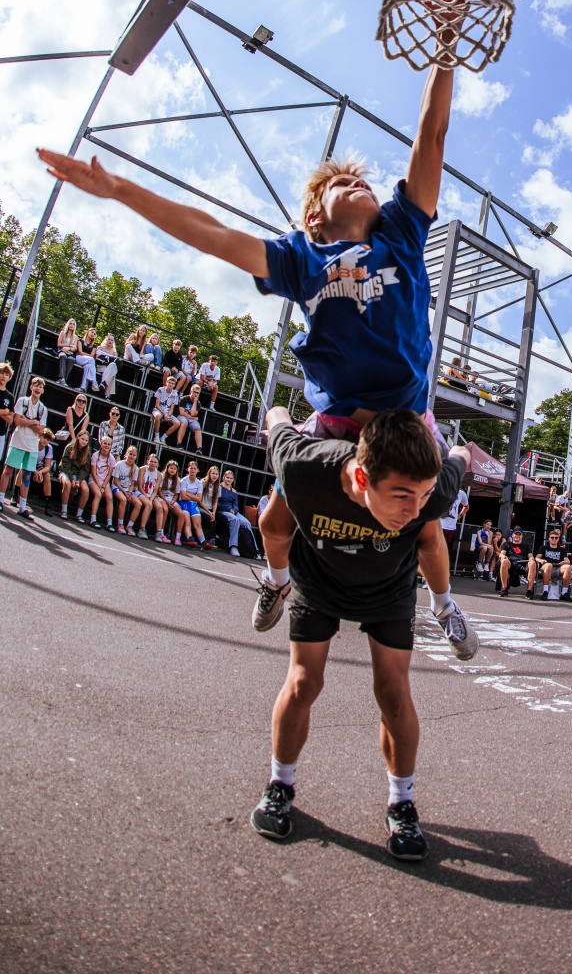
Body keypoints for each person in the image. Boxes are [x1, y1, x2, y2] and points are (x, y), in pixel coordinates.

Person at [40, 47, 476, 663]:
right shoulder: (301, 259)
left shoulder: (402, 235)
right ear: (314, 216)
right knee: (274, 522)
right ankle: (275, 582)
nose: (360, 183)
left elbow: (431, 135)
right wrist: (120, 190)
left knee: (427, 528)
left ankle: (444, 606)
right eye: (342, 183)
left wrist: (445, 49)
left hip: (404, 419)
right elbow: (215, 235)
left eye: (366, 182)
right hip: (336, 421)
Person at [249, 406, 471, 859]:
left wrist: (441, 602)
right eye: (402, 496)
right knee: (303, 682)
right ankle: (279, 785)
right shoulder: (305, 466)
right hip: (319, 578)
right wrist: (279, 576)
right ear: (364, 479)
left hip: (388, 586)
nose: (412, 511)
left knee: (394, 692)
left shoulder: (429, 495)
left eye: (422, 496)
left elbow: (463, 455)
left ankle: (402, 802)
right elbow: (277, 416)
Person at [0, 374, 48, 520]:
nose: (38, 388)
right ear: (31, 387)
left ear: (43, 391)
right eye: (36, 385)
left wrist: (26, 421)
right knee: (8, 470)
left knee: (27, 476)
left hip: (32, 445)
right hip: (18, 441)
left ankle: (22, 507)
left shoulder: (43, 409)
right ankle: (1, 500)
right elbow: (17, 421)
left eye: (41, 387)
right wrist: (33, 422)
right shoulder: (22, 401)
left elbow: (41, 430)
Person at [216, 469, 255, 558]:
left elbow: (236, 505)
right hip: (222, 510)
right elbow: (217, 503)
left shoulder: (233, 491)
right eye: (227, 477)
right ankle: (233, 546)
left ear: (233, 480)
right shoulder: (219, 488)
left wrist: (234, 510)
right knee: (235, 519)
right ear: (223, 477)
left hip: (233, 511)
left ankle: (253, 549)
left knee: (246, 523)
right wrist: (228, 509)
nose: (229, 480)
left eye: (231, 478)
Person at [82, 435, 116, 528]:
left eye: (109, 444)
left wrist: (104, 486)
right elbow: (93, 472)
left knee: (109, 497)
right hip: (94, 480)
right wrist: (99, 486)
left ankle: (109, 523)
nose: (106, 446)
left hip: (104, 482)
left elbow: (109, 475)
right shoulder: (95, 455)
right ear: (101, 444)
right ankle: (93, 519)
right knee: (98, 494)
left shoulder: (112, 459)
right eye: (105, 443)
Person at [58, 431, 92, 519]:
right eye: (82, 439)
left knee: (85, 490)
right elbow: (65, 465)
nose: (84, 441)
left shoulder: (87, 452)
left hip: (78, 475)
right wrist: (72, 479)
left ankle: (79, 514)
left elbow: (85, 469)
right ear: (78, 437)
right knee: (67, 484)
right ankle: (64, 510)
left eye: (86, 440)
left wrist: (78, 480)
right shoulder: (70, 447)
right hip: (66, 472)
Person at [111, 445, 143, 536]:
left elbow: (132, 484)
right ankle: (120, 524)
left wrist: (129, 492)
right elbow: (115, 481)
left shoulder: (136, 468)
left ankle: (129, 526)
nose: (132, 456)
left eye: (134, 455)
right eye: (130, 454)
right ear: (126, 454)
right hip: (117, 487)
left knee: (138, 504)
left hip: (128, 490)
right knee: (123, 499)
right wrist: (124, 492)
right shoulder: (119, 464)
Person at [534, 525, 572, 599]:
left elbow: (567, 560)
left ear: (558, 539)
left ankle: (564, 593)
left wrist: (564, 562)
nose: (554, 539)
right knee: (549, 565)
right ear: (549, 539)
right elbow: (537, 558)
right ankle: (545, 591)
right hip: (546, 568)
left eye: (556, 538)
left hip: (558, 568)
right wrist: (541, 560)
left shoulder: (562, 549)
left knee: (568, 567)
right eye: (552, 537)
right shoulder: (544, 548)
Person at [176, 459, 208, 547]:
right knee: (187, 522)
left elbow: (199, 498)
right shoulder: (184, 481)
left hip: (193, 503)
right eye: (191, 468)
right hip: (184, 502)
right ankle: (190, 538)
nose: (193, 470)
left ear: (198, 470)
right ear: (188, 469)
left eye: (195, 468)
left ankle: (203, 541)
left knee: (197, 524)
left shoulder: (199, 483)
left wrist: (188, 493)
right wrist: (193, 497)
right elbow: (183, 496)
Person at [157, 459, 189, 544]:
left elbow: (176, 494)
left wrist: (172, 502)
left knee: (181, 514)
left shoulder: (177, 480)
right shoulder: (162, 476)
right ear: (167, 468)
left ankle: (177, 538)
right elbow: (159, 491)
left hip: (171, 500)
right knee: (165, 509)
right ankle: (161, 533)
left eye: (174, 469)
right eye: (171, 468)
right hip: (162, 498)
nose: (172, 470)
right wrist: (166, 501)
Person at [497, 526, 535, 597]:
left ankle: (529, 591)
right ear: (513, 535)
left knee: (532, 563)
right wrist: (503, 556)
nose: (517, 536)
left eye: (519, 534)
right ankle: (504, 588)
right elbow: (501, 554)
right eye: (516, 534)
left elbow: (530, 556)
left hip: (522, 564)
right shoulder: (507, 544)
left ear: (522, 536)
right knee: (504, 561)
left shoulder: (526, 545)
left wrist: (531, 559)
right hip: (511, 564)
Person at [439, 482, 469, 568]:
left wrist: (460, 515)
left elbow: (466, 506)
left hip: (451, 527)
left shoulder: (461, 493)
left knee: (447, 551)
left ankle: (443, 571)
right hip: (439, 525)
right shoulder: (441, 489)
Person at [136, 452, 163, 540]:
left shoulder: (159, 475)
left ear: (158, 464)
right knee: (149, 505)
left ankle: (158, 532)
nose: (153, 463)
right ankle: (142, 529)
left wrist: (151, 498)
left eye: (155, 462)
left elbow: (155, 491)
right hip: (141, 492)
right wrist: (147, 498)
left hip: (151, 495)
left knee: (159, 507)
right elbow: (140, 487)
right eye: (151, 461)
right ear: (147, 461)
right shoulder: (142, 469)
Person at [152, 374, 183, 445]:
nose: (170, 384)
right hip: (159, 410)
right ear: (166, 383)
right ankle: (156, 437)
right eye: (169, 382)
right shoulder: (160, 389)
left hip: (167, 412)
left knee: (177, 423)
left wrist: (168, 415)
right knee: (157, 416)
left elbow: (172, 408)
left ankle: (163, 438)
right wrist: (164, 414)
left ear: (174, 385)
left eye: (172, 383)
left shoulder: (175, 394)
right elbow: (157, 405)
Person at [31, 429, 55, 510]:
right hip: (28, 462)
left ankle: (48, 502)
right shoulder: (33, 443)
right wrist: (34, 471)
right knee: (23, 471)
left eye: (48, 440)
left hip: (37, 466)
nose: (45, 441)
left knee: (47, 475)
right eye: (44, 438)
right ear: (39, 436)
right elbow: (28, 460)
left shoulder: (49, 448)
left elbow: (48, 467)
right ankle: (15, 493)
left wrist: (40, 472)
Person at [176, 382, 204, 452]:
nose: (196, 394)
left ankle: (199, 448)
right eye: (195, 392)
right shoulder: (184, 399)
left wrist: (195, 402)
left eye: (198, 393)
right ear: (191, 391)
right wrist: (192, 417)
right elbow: (182, 412)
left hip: (191, 418)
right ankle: (179, 443)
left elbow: (193, 414)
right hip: (182, 416)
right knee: (184, 423)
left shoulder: (198, 403)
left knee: (197, 428)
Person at [199, 465, 221, 545]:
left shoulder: (218, 486)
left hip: (210, 508)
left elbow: (215, 501)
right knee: (206, 518)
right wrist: (208, 512)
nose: (214, 476)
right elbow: (199, 499)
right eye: (213, 473)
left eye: (216, 474)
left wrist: (213, 513)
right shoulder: (203, 482)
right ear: (209, 474)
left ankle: (213, 540)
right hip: (201, 506)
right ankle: (201, 539)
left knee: (216, 518)